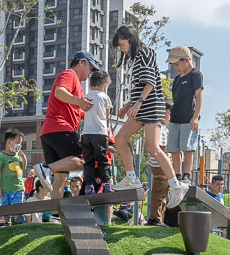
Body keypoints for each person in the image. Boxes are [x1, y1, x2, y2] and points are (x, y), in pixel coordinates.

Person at [112, 27, 186, 209]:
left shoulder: (144, 52)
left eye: (122, 45)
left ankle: (176, 186)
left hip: (151, 105)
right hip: (141, 105)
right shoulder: (137, 57)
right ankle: (131, 178)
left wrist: (137, 103)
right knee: (120, 138)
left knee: (153, 148)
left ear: (130, 39)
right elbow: (140, 84)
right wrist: (129, 105)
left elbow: (150, 81)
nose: (122, 49)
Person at [38, 51, 97, 197]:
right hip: (61, 128)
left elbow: (78, 111)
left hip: (49, 132)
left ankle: (55, 214)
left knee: (61, 178)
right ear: (81, 62)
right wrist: (80, 102)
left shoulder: (79, 88)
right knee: (82, 161)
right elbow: (59, 92)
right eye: (91, 67)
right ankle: (46, 168)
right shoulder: (70, 74)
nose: (91, 72)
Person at [165, 45, 203, 183]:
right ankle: (177, 174)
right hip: (175, 118)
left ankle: (187, 175)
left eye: (177, 64)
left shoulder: (196, 75)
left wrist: (196, 117)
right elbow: (174, 99)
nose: (176, 67)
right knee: (173, 148)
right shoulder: (177, 79)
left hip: (189, 118)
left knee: (187, 147)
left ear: (186, 60)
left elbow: (199, 96)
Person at [79, 70, 113, 194]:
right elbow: (107, 114)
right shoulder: (105, 97)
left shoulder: (86, 97)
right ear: (104, 85)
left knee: (89, 162)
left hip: (86, 133)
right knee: (102, 160)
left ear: (90, 84)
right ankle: (107, 184)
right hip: (100, 132)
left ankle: (88, 186)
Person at [0, 129, 28, 225]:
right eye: (17, 143)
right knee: (6, 209)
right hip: (5, 188)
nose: (19, 146)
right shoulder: (1, 156)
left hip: (18, 187)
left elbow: (24, 168)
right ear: (9, 141)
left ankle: (19, 224)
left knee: (18, 209)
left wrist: (24, 157)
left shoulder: (18, 156)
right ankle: (7, 224)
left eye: (20, 144)